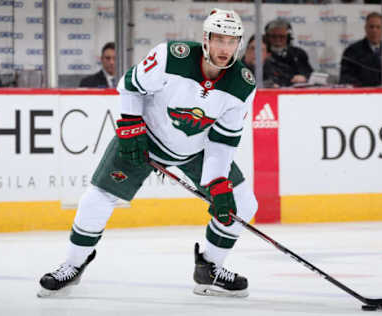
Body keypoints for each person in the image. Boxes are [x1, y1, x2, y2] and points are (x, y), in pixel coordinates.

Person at [38, 8, 258, 298]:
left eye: (231, 41)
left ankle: (209, 267)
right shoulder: (172, 57)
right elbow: (130, 85)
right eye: (219, 39)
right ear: (206, 39)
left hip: (197, 149)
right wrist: (130, 126)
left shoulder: (242, 84)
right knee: (99, 196)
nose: (224, 48)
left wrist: (218, 182)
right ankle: (73, 264)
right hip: (145, 138)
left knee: (243, 203)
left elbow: (223, 140)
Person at [263, 18, 313, 87]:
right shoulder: (261, 53)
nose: (278, 40)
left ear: (288, 38)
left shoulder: (298, 54)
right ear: (267, 38)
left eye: (282, 36)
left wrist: (304, 77)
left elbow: (309, 73)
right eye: (273, 36)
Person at [339, 12, 382, 87]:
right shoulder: (352, 51)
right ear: (365, 28)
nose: (374, 30)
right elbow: (345, 79)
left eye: (378, 27)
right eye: (371, 27)